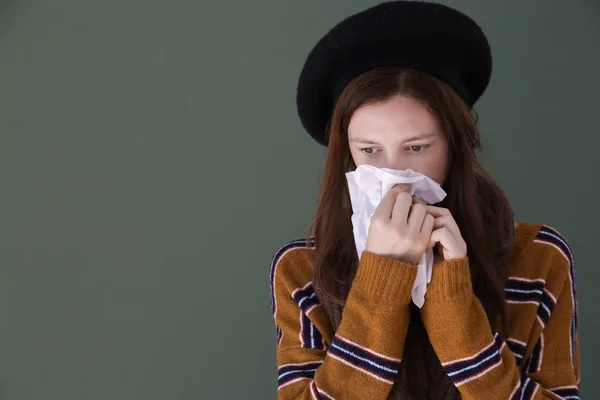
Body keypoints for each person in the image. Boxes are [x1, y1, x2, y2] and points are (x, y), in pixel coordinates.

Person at [268, 1, 580, 399]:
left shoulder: (539, 259)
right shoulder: (301, 272)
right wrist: (382, 280)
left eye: (416, 148)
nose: (395, 177)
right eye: (370, 150)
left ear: (454, 146)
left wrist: (453, 309)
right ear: (347, 154)